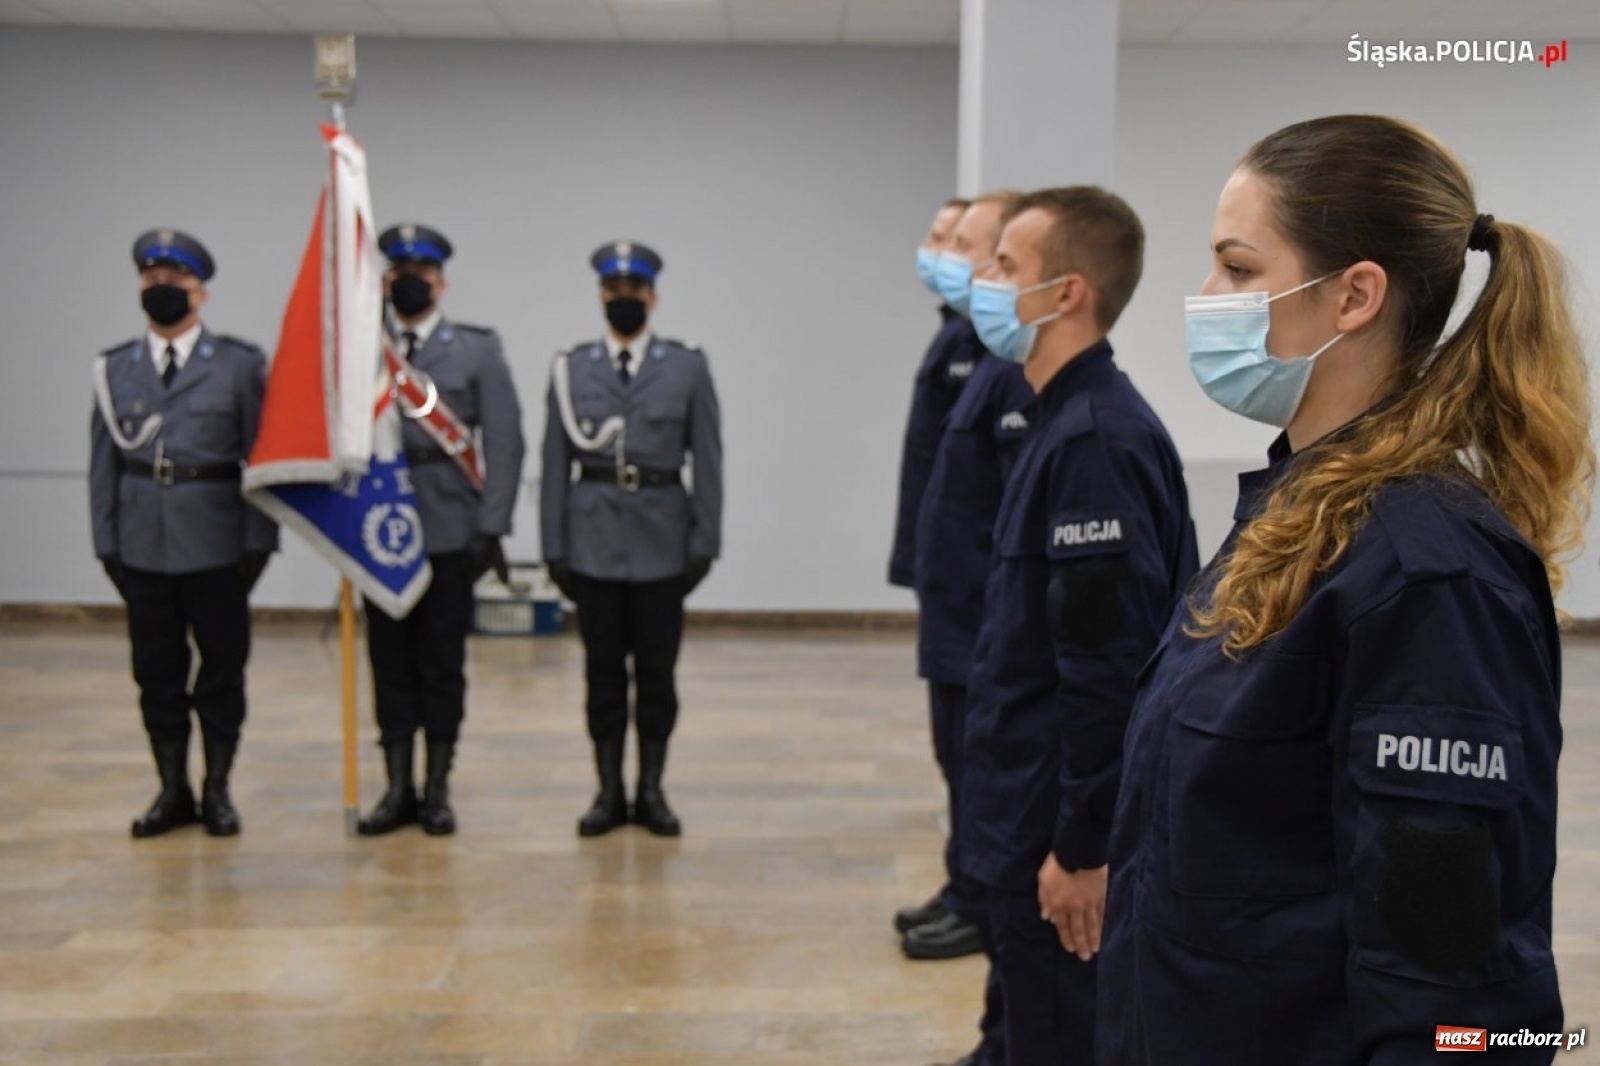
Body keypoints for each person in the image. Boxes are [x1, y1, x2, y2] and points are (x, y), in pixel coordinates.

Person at [1098, 114, 1591, 1065]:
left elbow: (1459, 995)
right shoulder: (1297, 510)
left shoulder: (1425, 571)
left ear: (1355, 295)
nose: (1207, 298)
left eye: (1238, 269)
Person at [960, 188, 1199, 1066]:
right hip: (1019, 804)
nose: (983, 281)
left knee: (1059, 1032)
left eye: (1005, 267)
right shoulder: (1059, 422)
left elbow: (1106, 668)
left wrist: (1081, 846)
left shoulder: (1094, 441)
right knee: (1023, 1021)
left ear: (1066, 293)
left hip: (1050, 829)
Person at [89, 228, 278, 838]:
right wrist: (107, 542)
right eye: (152, 280)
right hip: (143, 546)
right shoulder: (116, 368)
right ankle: (172, 789)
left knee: (222, 673)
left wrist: (257, 542)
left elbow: (263, 458)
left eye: (175, 282)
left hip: (219, 545)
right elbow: (103, 464)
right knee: (156, 675)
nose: (162, 290)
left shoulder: (239, 365)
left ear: (201, 293)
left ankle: (217, 789)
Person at [910, 195, 1037, 1066]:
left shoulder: (1012, 370)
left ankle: (980, 900)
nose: (951, 261)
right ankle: (971, 891)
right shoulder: (971, 346)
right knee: (961, 768)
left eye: (975, 251)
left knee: (990, 788)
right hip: (956, 613)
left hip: (981, 626)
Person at [540, 241, 723, 838]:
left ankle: (652, 789)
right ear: (601, 297)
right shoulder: (572, 369)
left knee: (657, 676)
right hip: (591, 542)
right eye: (614, 292)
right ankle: (608, 790)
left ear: (653, 297)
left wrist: (705, 541)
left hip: (662, 544)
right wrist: (553, 547)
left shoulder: (686, 367)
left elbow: (709, 460)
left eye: (634, 291)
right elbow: (554, 461)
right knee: (601, 675)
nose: (624, 300)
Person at [356, 223, 525, 838]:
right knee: (388, 662)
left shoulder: (475, 351)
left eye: (420, 273)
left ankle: (437, 787)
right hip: (378, 531)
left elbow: (504, 442)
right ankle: (396, 786)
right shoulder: (361, 348)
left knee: (442, 664)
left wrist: (493, 525)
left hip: (453, 529)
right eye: (397, 272)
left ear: (441, 282)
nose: (408, 281)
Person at [889, 197, 971, 592]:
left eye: (948, 242)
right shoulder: (951, 334)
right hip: (942, 547)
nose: (931, 250)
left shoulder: (978, 341)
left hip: (965, 556)